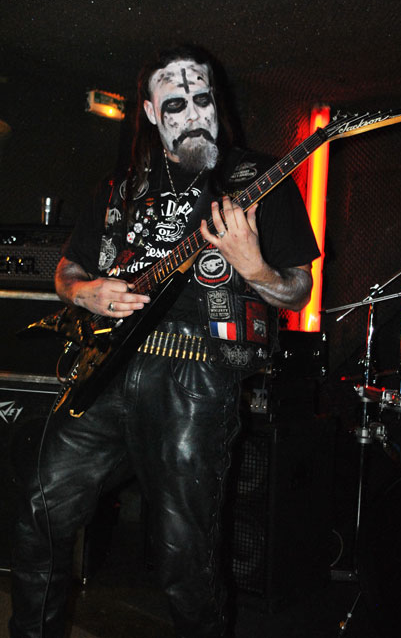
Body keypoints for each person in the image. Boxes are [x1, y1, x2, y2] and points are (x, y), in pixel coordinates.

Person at [9, 45, 320, 638]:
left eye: (203, 99)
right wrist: (86, 293)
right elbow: (67, 271)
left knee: (185, 557)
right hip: (104, 370)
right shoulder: (120, 188)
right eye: (176, 104)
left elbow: (297, 291)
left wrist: (253, 266)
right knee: (39, 513)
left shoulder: (258, 180)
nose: (194, 112)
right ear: (152, 113)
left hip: (193, 377)